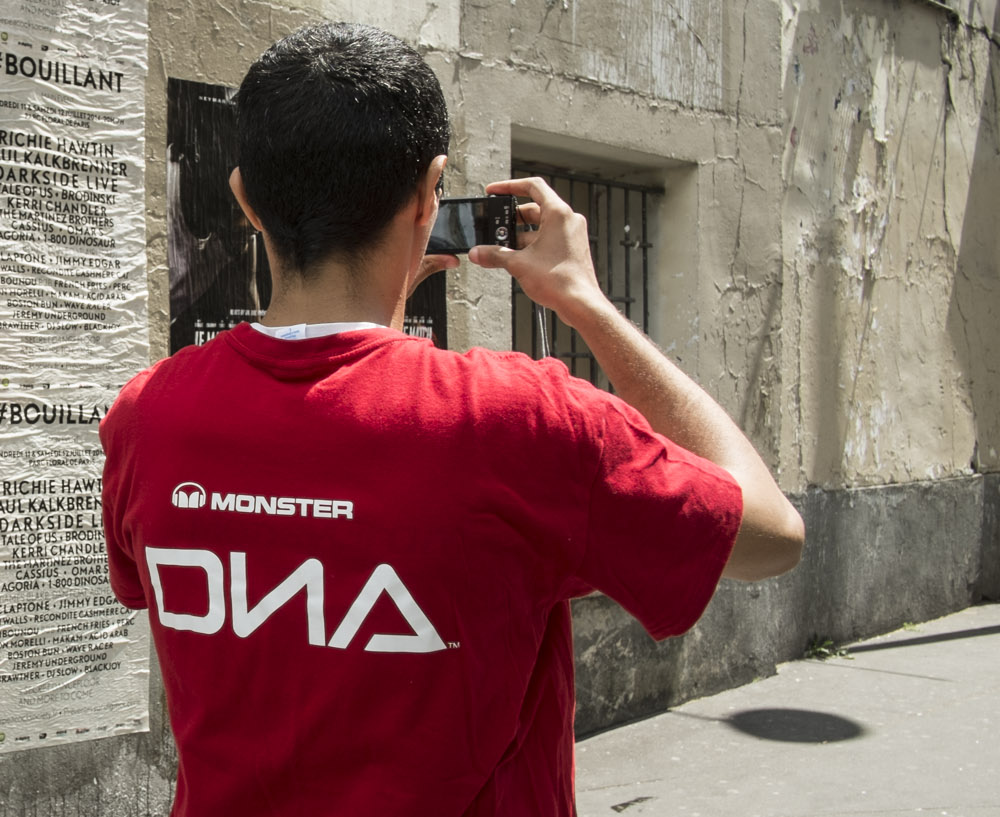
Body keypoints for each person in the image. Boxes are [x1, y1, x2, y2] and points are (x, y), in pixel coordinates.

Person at [98, 21, 805, 817]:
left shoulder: (146, 415)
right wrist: (588, 305)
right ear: (431, 192)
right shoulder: (521, 422)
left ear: (244, 199)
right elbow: (772, 536)